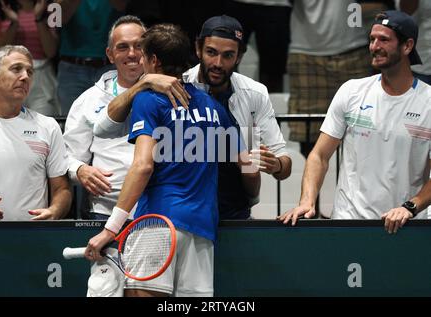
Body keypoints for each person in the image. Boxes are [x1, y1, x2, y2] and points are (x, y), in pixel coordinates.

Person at [85, 23, 257, 297]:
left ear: (153, 60)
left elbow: (142, 166)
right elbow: (248, 166)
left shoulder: (150, 100)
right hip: (202, 232)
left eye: (142, 55)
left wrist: (111, 229)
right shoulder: (213, 106)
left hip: (157, 223)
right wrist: (253, 196)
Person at [95, 15, 292, 220]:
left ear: (239, 57)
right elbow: (102, 128)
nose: (217, 63)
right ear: (198, 50)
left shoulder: (254, 95)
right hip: (180, 214)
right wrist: (143, 83)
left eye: (227, 55)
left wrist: (276, 166)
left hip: (229, 214)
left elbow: (265, 166)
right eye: (211, 52)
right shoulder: (170, 84)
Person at [279, 11, 431, 234]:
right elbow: (319, 155)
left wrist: (410, 207)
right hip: (349, 222)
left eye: (384, 40)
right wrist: (307, 200)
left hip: (405, 226)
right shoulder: (351, 91)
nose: (374, 46)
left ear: (407, 46)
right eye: (372, 39)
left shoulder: (428, 101)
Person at [63, 15, 190, 220]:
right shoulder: (88, 100)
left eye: (139, 46)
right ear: (110, 54)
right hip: (104, 210)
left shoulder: (175, 91)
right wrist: (80, 170)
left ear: (150, 51)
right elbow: (67, 156)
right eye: (122, 47)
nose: (132, 54)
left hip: (159, 209)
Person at [0, 45, 71, 220]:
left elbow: (62, 189)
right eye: (16, 69)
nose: (25, 77)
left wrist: (54, 211)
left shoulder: (48, 126)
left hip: (33, 236)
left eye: (30, 72)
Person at [287, 0, 374, 159]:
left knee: (364, 130)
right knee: (308, 134)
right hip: (306, 51)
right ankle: (311, 184)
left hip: (354, 47)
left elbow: (381, 6)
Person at [0, 0, 60, 116]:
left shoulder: (53, 9)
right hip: (6, 72)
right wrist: (14, 23)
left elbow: (51, 51)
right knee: (3, 123)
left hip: (41, 75)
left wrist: (38, 18)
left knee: (41, 124)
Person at [55, 0, 125, 116]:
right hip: (72, 67)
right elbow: (56, 22)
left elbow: (122, 5)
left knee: (113, 122)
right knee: (71, 123)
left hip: (110, 65)